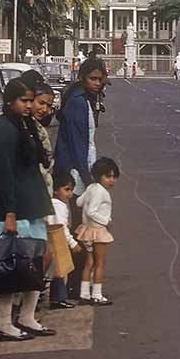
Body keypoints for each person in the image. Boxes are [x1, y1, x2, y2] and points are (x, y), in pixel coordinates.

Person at [0, 79, 55, 341]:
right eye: (23, 101)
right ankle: (3, 322)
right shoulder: (5, 128)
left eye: (29, 101)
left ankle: (27, 315)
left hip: (31, 205)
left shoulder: (24, 125)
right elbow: (4, 174)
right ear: (10, 101)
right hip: (13, 209)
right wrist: (10, 214)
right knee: (11, 267)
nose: (28, 105)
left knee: (34, 263)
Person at [54, 58, 106, 195]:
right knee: (79, 213)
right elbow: (77, 143)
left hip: (81, 165)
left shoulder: (85, 98)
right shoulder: (77, 102)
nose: (97, 83)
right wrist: (87, 178)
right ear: (82, 77)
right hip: (74, 169)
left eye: (100, 80)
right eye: (93, 79)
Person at [76, 157, 119, 306]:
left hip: (86, 230)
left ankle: (84, 293)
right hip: (98, 231)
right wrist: (106, 221)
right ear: (99, 175)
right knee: (100, 263)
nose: (112, 180)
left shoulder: (91, 188)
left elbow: (79, 202)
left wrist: (88, 198)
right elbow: (91, 211)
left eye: (114, 177)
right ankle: (97, 295)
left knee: (89, 262)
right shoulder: (101, 192)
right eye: (108, 176)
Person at [47, 170, 81, 310]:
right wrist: (73, 243)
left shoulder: (51, 203)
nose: (69, 193)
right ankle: (59, 298)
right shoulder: (59, 205)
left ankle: (54, 298)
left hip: (50, 241)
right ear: (55, 190)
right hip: (58, 242)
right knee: (61, 272)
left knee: (54, 273)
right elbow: (62, 227)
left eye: (71, 190)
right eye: (66, 189)